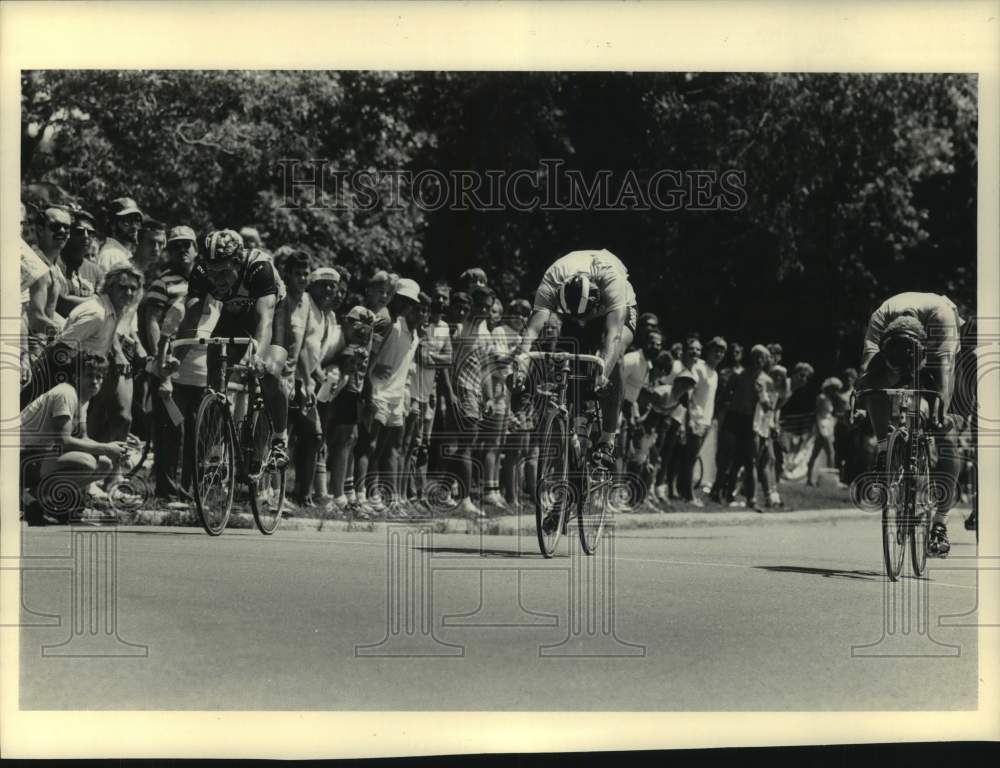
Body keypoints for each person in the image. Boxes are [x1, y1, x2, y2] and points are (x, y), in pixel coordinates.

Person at [168, 230, 290, 466]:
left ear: (237, 261)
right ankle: (216, 447)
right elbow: (191, 318)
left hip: (271, 316)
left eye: (224, 272)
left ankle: (279, 440)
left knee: (270, 371)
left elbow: (265, 319)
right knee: (216, 368)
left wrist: (257, 355)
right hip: (235, 315)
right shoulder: (201, 272)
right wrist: (176, 359)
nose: (218, 280)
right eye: (213, 273)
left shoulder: (259, 267)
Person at [856, 293, 963, 556]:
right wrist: (860, 402)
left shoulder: (942, 320)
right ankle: (886, 452)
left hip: (940, 358)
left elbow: (943, 376)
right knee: (876, 388)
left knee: (947, 439)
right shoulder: (880, 318)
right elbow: (867, 372)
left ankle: (940, 524)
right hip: (898, 348)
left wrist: (942, 415)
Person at [514, 249, 637, 474]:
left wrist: (603, 373)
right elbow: (532, 329)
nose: (581, 321)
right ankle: (571, 423)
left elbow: (614, 335)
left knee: (614, 354)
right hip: (576, 306)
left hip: (616, 308)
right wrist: (521, 364)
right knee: (568, 350)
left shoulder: (612, 283)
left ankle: (608, 439)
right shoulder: (552, 279)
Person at [20, 353, 129, 525]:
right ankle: (30, 498)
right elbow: (64, 441)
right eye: (89, 376)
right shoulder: (66, 394)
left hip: (37, 456)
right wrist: (106, 448)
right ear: (76, 377)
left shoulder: (82, 399)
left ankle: (50, 503)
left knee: (105, 464)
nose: (94, 381)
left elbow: (83, 437)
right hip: (18, 458)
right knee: (85, 463)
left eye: (99, 377)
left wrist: (115, 450)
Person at [137, 225, 198, 502]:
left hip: (200, 370)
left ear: (196, 249)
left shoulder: (206, 281)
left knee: (197, 431)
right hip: (171, 368)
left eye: (187, 245)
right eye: (175, 246)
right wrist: (159, 366)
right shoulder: (163, 283)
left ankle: (190, 491)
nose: (182, 250)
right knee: (171, 429)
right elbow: (151, 321)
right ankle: (167, 492)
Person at [355, 278, 423, 516]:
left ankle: (381, 497)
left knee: (386, 447)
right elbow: (370, 356)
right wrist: (369, 385)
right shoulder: (388, 322)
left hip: (395, 396)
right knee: (369, 444)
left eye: (410, 302)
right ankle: (360, 495)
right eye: (404, 300)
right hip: (378, 391)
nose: (406, 305)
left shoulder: (405, 328)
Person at [679, 336, 725, 506]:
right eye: (716, 351)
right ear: (709, 351)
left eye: (721, 352)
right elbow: (689, 395)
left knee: (691, 456)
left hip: (706, 421)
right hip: (695, 419)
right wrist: (690, 419)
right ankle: (689, 495)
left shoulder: (715, 374)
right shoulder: (699, 367)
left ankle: (681, 491)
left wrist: (710, 420)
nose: (718, 354)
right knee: (689, 458)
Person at [55, 209, 105, 317]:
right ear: (69, 233)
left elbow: (105, 303)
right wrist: (94, 300)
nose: (86, 236)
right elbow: (62, 303)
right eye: (79, 231)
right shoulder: (55, 263)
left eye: (90, 233)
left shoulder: (96, 271)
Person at [96, 197, 143, 272]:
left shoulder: (123, 254)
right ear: (113, 225)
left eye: (137, 220)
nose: (134, 226)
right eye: (127, 221)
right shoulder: (111, 254)